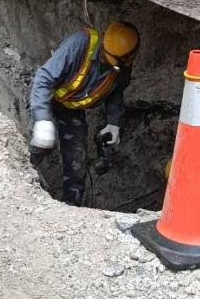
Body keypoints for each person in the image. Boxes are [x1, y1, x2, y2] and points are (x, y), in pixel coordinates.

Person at [29, 21, 140, 205]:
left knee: (77, 163)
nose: (105, 60)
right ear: (103, 39)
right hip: (46, 97)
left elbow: (115, 93)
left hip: (71, 109)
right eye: (104, 56)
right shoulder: (80, 43)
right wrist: (41, 119)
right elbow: (44, 78)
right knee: (41, 144)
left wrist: (114, 122)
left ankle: (70, 212)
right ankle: (17, 185)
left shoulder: (121, 66)